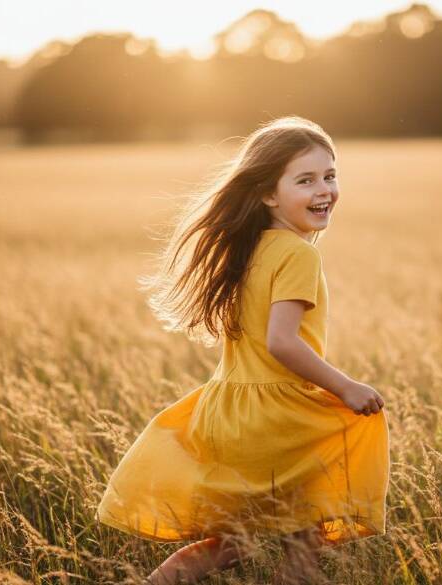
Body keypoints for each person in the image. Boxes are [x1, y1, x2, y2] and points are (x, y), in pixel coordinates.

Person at [95, 115, 390, 584]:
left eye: (330, 176)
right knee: (306, 533)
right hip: (276, 419)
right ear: (269, 194)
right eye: (306, 180)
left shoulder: (249, 247)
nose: (324, 190)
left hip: (228, 412)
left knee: (234, 541)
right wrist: (346, 386)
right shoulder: (298, 253)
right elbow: (281, 342)